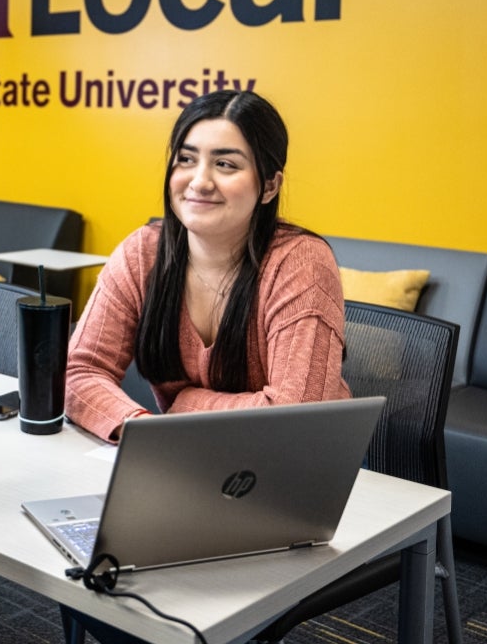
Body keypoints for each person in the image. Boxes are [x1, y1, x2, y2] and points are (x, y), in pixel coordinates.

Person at [66, 89, 350, 442]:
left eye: (225, 164)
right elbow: (80, 371)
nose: (199, 181)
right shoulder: (143, 253)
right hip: (188, 460)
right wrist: (141, 428)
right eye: (186, 159)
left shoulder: (301, 263)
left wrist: (185, 406)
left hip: (293, 471)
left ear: (270, 186)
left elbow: (297, 418)